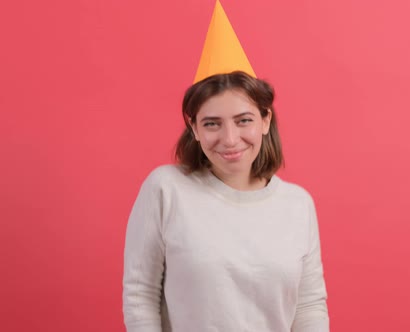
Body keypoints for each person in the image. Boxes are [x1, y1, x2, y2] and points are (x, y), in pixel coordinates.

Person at [123, 71, 329, 331]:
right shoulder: (166, 189)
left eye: (243, 120)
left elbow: (308, 306)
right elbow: (140, 295)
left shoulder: (298, 204)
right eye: (212, 123)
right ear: (194, 128)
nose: (230, 139)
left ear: (265, 120)